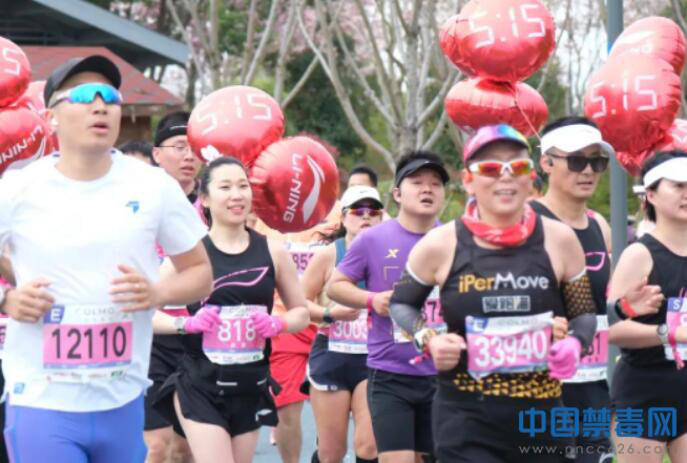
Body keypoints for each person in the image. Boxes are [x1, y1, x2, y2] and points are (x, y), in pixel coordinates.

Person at [0, 54, 212, 463]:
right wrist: (7, 299)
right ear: (51, 117)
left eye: (110, 96)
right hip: (42, 399)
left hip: (122, 400)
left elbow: (201, 272)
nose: (100, 105)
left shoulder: (153, 187)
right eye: (83, 95)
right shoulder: (18, 189)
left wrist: (158, 293)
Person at [388, 124, 599, 462]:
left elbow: (584, 313)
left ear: (530, 177)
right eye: (490, 168)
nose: (505, 176)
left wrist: (575, 344)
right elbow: (401, 303)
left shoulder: (559, 239)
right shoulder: (441, 244)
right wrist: (429, 339)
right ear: (468, 180)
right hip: (466, 417)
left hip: (542, 417)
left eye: (517, 166)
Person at [153, 156, 310, 463]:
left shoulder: (273, 251)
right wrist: (186, 325)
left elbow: (301, 313)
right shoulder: (190, 254)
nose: (237, 195)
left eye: (243, 186)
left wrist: (277, 324)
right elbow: (145, 309)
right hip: (200, 384)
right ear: (205, 198)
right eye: (225, 187)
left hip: (250, 384)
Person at [327, 150, 449, 463]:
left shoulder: (454, 239)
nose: (427, 189)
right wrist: (373, 300)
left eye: (435, 184)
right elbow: (336, 286)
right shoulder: (373, 239)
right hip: (390, 375)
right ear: (396, 194)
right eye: (417, 182)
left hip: (443, 375)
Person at [532, 117, 614, 462]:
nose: (589, 171)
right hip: (540, 388)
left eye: (597, 161)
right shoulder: (527, 223)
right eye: (577, 160)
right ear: (547, 163)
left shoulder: (599, 225)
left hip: (593, 384)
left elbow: (604, 304)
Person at [608, 151, 687, 463]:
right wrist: (670, 333)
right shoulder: (639, 254)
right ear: (650, 194)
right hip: (645, 393)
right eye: (678, 186)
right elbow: (612, 328)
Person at [253, 207, 341, 463]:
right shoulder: (268, 212)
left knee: (334, 414)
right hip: (286, 323)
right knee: (287, 410)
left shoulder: (340, 209)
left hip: (331, 324)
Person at [303, 186, 384, 463]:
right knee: (331, 453)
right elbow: (300, 304)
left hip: (373, 358)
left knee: (369, 446)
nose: (366, 216)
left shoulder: (392, 256)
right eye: (358, 211)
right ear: (343, 217)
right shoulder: (329, 255)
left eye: (373, 211)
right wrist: (330, 314)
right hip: (332, 356)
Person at [144, 111, 201, 463]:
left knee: (185, 448)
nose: (188, 156)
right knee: (157, 444)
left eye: (194, 148)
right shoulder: (139, 203)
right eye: (179, 147)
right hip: (149, 336)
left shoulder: (215, 204)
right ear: (156, 154)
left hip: (198, 337)